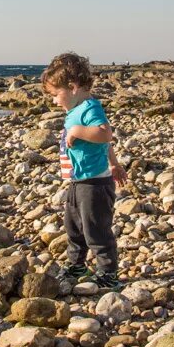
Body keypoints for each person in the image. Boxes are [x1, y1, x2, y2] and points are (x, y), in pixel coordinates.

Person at [41, 52, 128, 290]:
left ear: (73, 87)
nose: (54, 101)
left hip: (95, 184)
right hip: (78, 181)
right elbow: (104, 144)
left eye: (56, 95)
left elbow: (104, 134)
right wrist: (114, 163)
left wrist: (77, 131)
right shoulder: (75, 110)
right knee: (74, 226)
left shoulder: (90, 108)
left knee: (96, 229)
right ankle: (76, 264)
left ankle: (108, 273)